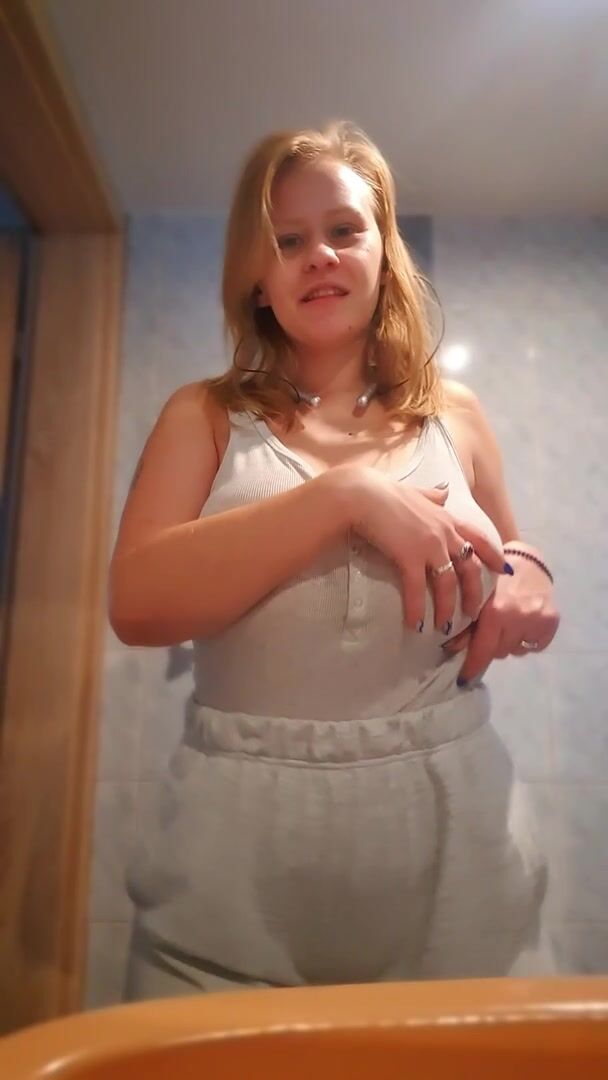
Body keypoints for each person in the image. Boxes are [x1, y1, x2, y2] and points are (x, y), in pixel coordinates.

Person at [110, 122, 560, 999]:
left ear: (384, 254)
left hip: (462, 861)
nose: (319, 254)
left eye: (345, 230)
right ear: (256, 275)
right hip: (230, 867)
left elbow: (513, 554)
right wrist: (342, 498)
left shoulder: (457, 414)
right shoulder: (202, 416)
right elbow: (136, 603)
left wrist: (531, 572)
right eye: (288, 240)